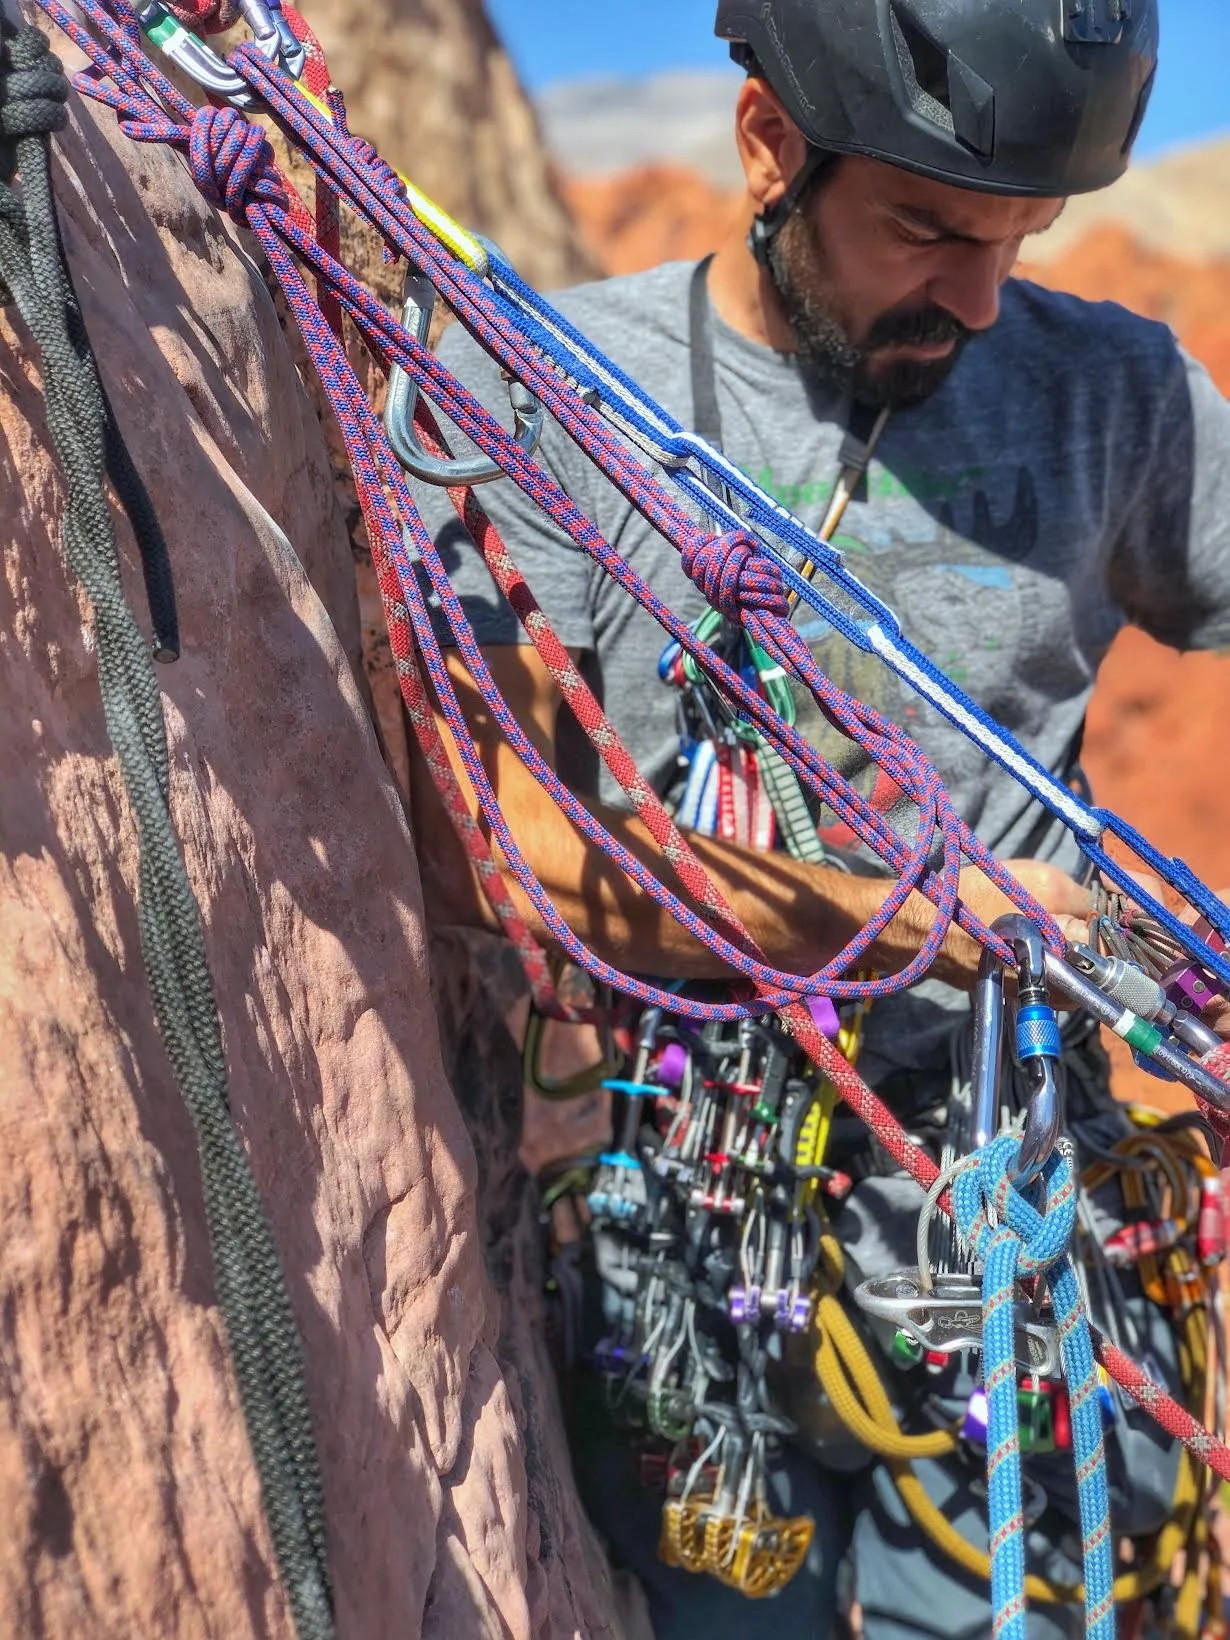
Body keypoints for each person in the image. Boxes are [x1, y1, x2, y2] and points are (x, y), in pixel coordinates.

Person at [406, 2, 1230, 1634]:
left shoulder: (1108, 393)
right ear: (769, 147)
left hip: (1012, 1212)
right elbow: (525, 856)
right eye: (925, 230)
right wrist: (930, 917)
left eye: (1020, 236)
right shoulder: (543, 396)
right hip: (695, 1244)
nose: (979, 300)